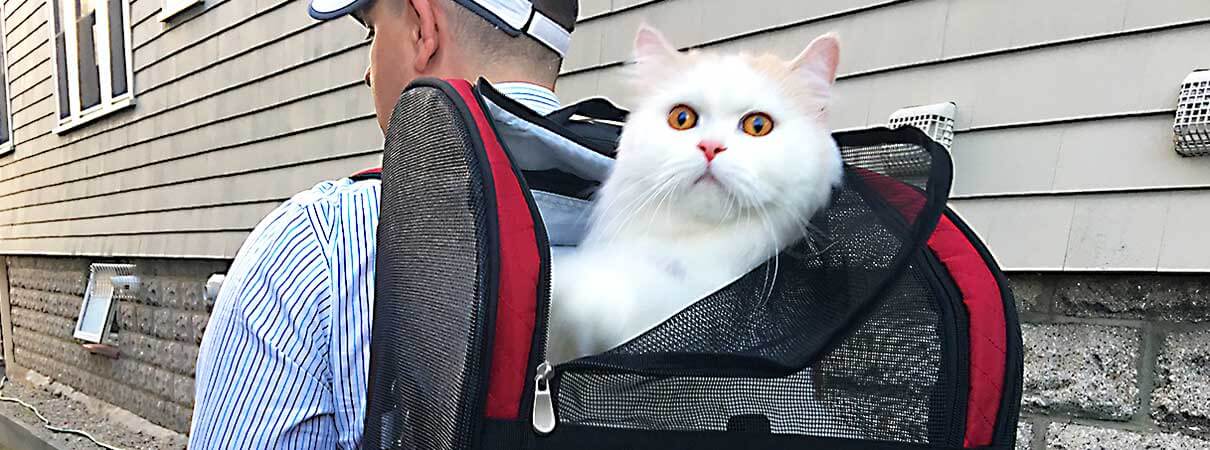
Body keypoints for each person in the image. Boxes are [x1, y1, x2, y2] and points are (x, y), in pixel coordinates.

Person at [188, 0, 579, 447]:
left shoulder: (316, 246)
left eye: (371, 32)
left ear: (422, 28)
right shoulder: (661, 216)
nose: (368, 72)